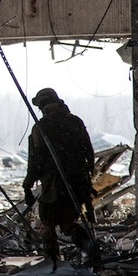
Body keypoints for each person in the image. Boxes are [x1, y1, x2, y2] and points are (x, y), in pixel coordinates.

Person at [23, 88, 97, 264]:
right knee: (67, 223)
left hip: (54, 186)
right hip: (77, 184)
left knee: (47, 225)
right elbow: (89, 153)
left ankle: (52, 264)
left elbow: (35, 162)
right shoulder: (75, 122)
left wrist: (27, 186)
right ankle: (87, 244)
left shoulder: (42, 127)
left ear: (42, 106)